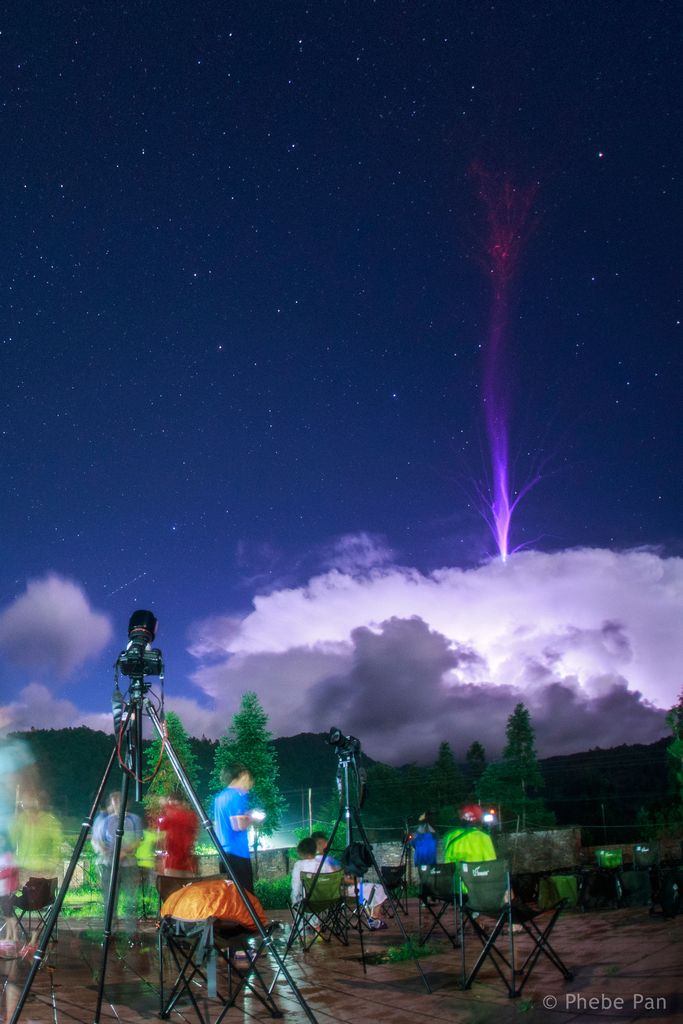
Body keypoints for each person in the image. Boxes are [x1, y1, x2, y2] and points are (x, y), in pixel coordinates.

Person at [91, 791, 143, 930]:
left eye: (120, 800)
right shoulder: (107, 820)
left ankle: (132, 933)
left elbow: (138, 839)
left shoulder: (134, 819)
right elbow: (99, 841)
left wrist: (124, 852)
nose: (117, 803)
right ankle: (110, 932)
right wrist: (105, 851)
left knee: (131, 900)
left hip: (129, 866)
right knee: (110, 900)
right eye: (114, 801)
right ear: (111, 803)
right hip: (110, 865)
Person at [213, 765, 257, 893]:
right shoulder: (237, 796)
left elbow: (217, 826)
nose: (250, 783)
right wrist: (252, 817)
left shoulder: (219, 798)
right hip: (238, 854)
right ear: (243, 775)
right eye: (249, 778)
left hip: (223, 854)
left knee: (230, 896)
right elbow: (238, 825)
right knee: (246, 897)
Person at [290, 836, 337, 905]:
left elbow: (296, 884)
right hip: (324, 900)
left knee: (296, 895)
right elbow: (333, 878)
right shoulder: (323, 864)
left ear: (300, 852)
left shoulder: (299, 865)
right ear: (315, 850)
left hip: (305, 901)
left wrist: (295, 900)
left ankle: (299, 914)